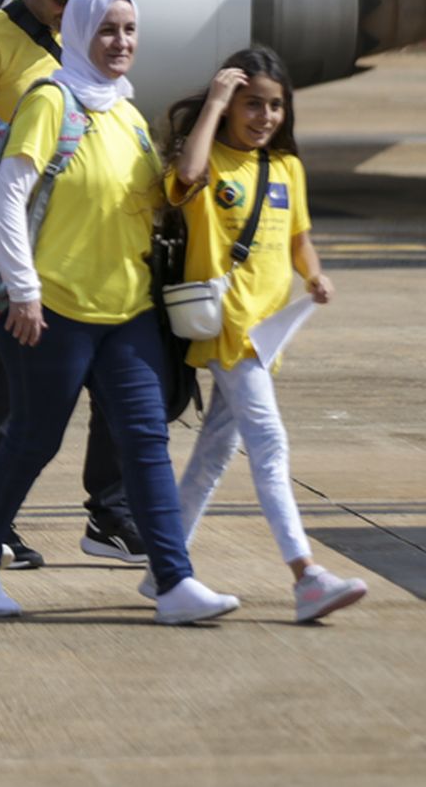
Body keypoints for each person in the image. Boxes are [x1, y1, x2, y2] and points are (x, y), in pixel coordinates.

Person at [0, 0, 239, 624]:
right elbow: (7, 197)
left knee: (144, 442)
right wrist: (22, 291)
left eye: (130, 30)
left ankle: (174, 582)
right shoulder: (53, 99)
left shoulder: (129, 114)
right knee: (31, 441)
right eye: (108, 30)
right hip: (53, 310)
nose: (121, 43)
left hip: (127, 311)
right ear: (80, 33)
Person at [0, 0, 141, 570]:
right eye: (61, 0)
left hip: (92, 254)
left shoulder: (99, 42)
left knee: (115, 393)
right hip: (19, 255)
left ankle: (109, 514)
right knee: (3, 401)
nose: (75, 11)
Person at [161, 47, 367, 622]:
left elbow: (300, 239)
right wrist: (215, 104)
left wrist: (315, 275)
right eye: (252, 105)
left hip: (270, 334)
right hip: (231, 331)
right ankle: (306, 576)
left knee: (215, 453)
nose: (265, 117)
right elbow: (186, 174)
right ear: (228, 107)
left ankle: (163, 565)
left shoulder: (286, 168)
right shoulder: (211, 164)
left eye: (275, 106)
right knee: (270, 447)